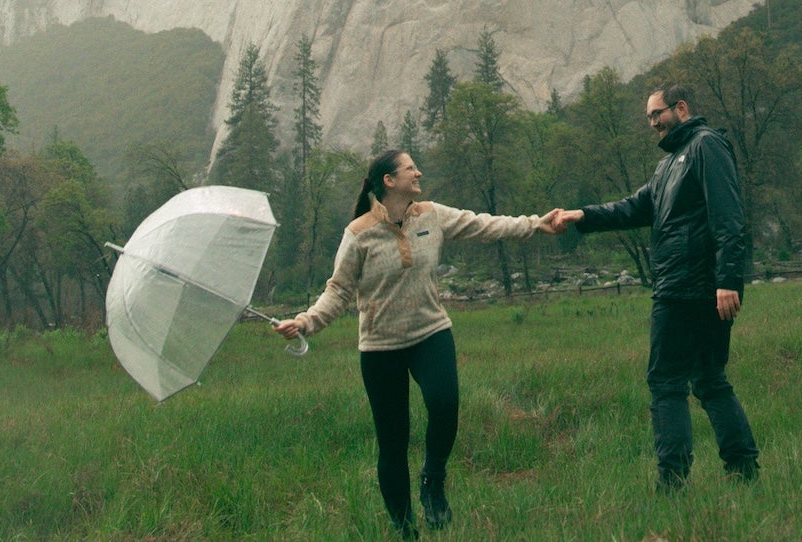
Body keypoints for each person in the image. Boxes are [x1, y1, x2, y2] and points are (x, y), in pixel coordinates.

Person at [278, 149, 566, 536]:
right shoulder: (358, 233)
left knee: (445, 404)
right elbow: (338, 291)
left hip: (431, 332)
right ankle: (404, 528)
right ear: (388, 181)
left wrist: (535, 224)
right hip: (381, 348)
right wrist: (305, 322)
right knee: (392, 443)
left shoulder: (430, 214)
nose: (419, 172)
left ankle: (433, 480)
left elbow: (483, 225)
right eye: (410, 168)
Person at [547, 85, 759, 491]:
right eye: (648, 118)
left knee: (667, 383)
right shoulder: (668, 166)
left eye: (657, 113)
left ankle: (673, 482)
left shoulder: (706, 146)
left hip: (688, 288)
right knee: (710, 380)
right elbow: (637, 207)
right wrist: (583, 215)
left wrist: (728, 280)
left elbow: (729, 216)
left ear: (682, 107)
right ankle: (743, 472)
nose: (652, 123)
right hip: (689, 286)